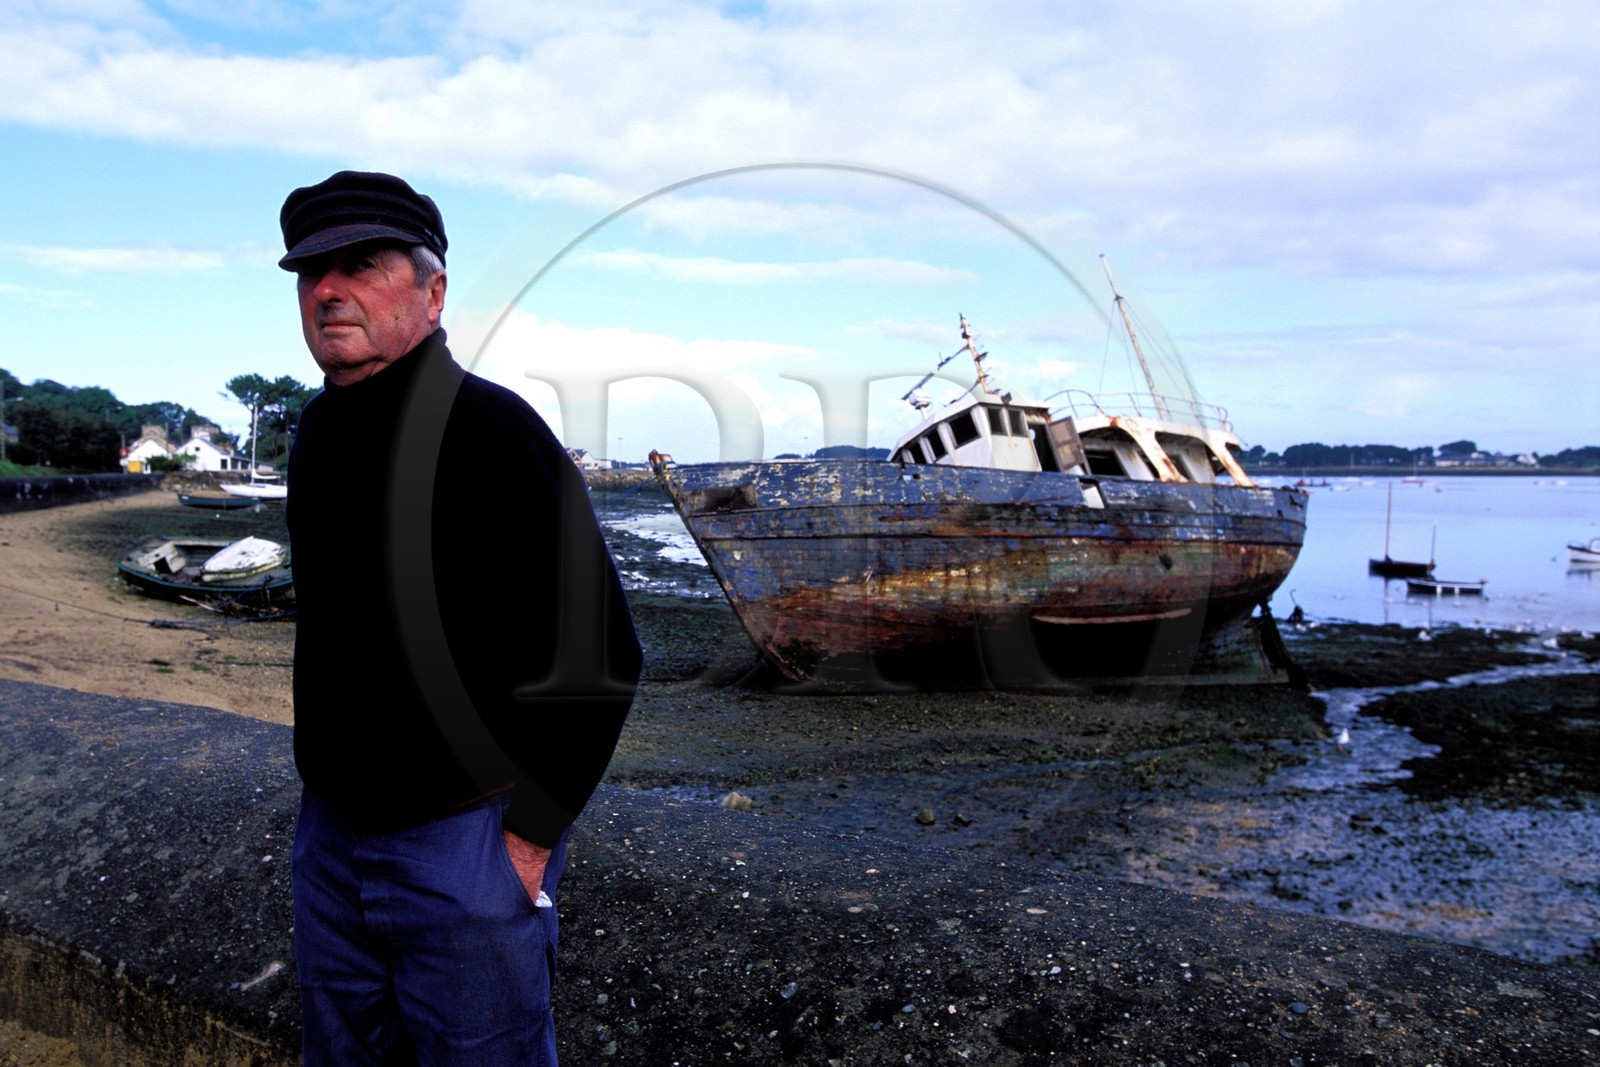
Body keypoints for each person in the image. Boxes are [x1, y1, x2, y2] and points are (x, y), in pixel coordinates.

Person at [279, 170, 642, 1065]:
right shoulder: (315, 433)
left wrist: (527, 841)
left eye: (361, 265)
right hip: (331, 838)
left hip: (464, 843)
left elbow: (602, 650)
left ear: (433, 291)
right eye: (311, 271)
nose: (328, 290)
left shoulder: (493, 430)